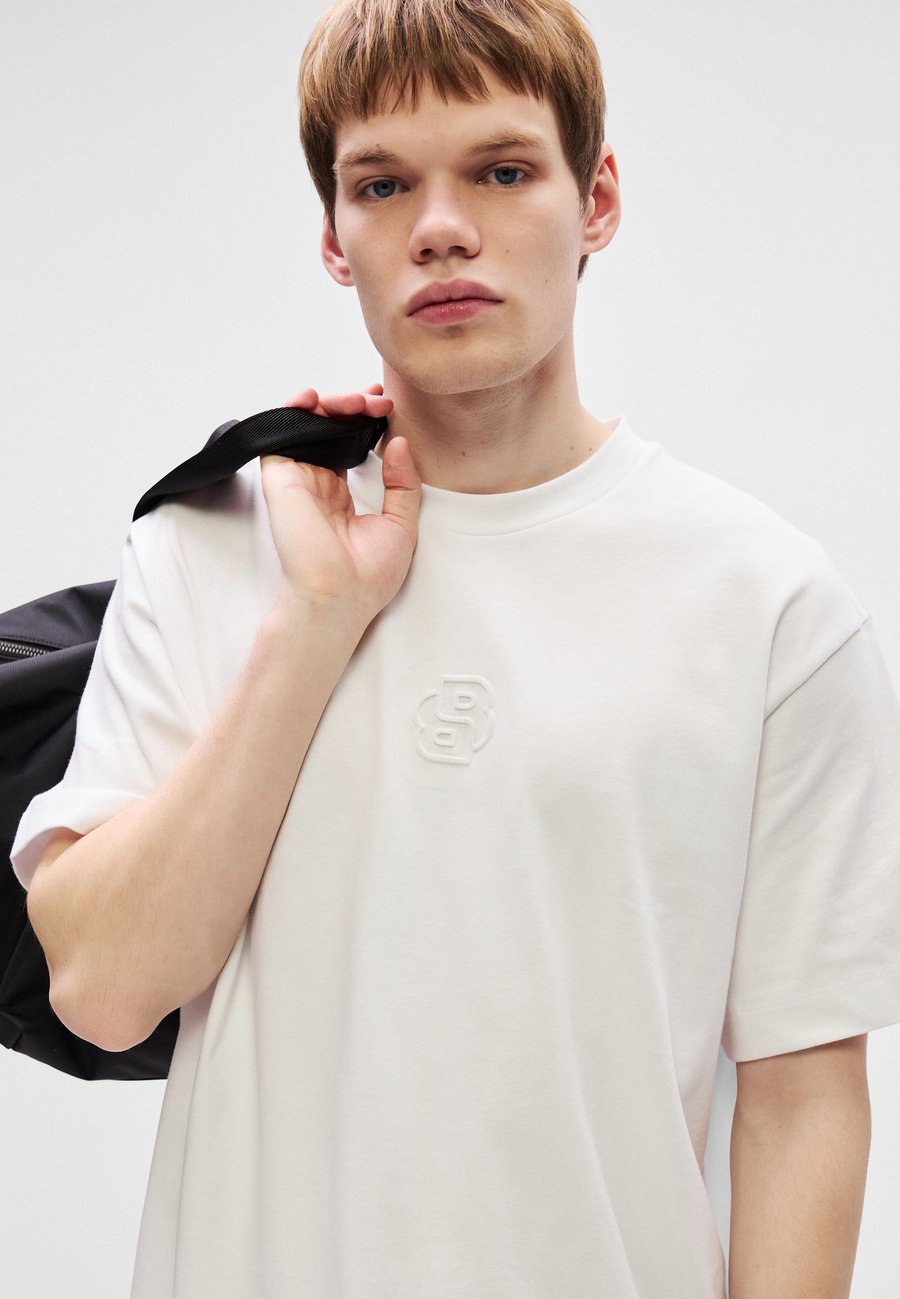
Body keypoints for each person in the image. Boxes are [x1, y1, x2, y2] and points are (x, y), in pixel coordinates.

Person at [11, 0, 900, 1295]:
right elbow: (102, 989)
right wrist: (317, 621)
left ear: (597, 201)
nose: (440, 226)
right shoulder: (209, 545)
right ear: (335, 235)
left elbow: (802, 1097)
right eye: (383, 184)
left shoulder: (767, 603)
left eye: (501, 170)